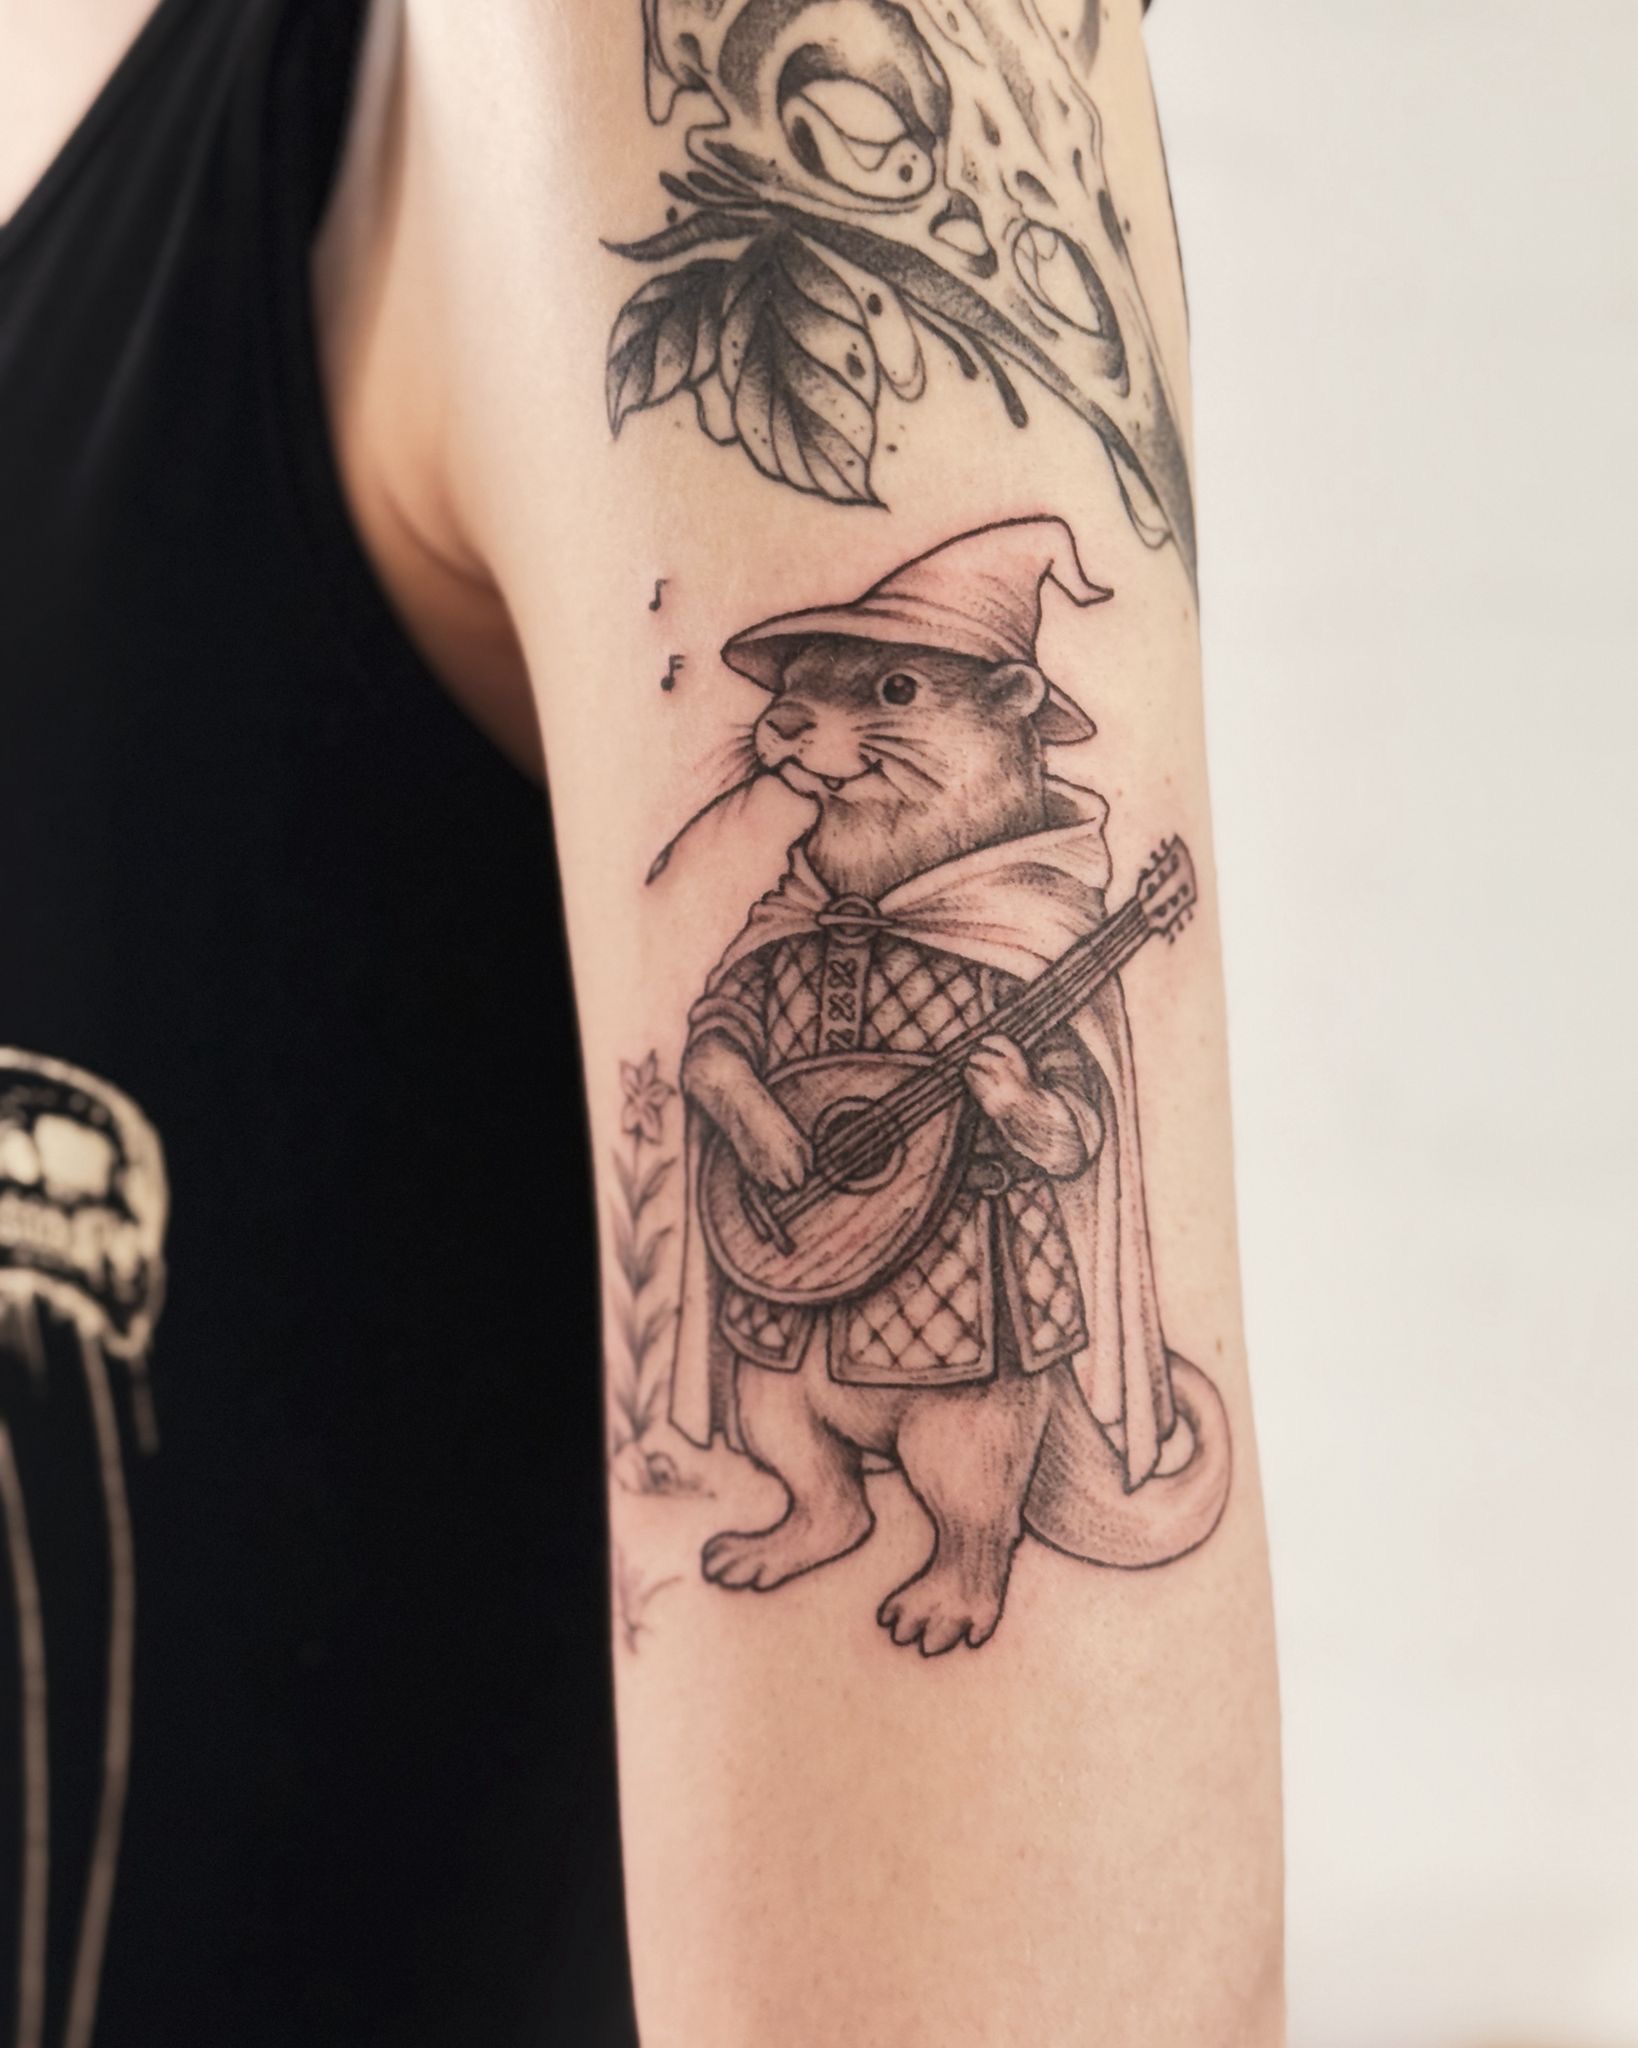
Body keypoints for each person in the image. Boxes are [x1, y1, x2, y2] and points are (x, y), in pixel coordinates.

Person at [0, 1, 1283, 2042]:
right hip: (804, 1260)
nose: (816, 740)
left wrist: (1012, 1114)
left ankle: (941, 1538)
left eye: (885, 697)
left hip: (945, 1293)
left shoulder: (670, 64)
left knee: (967, 1388)